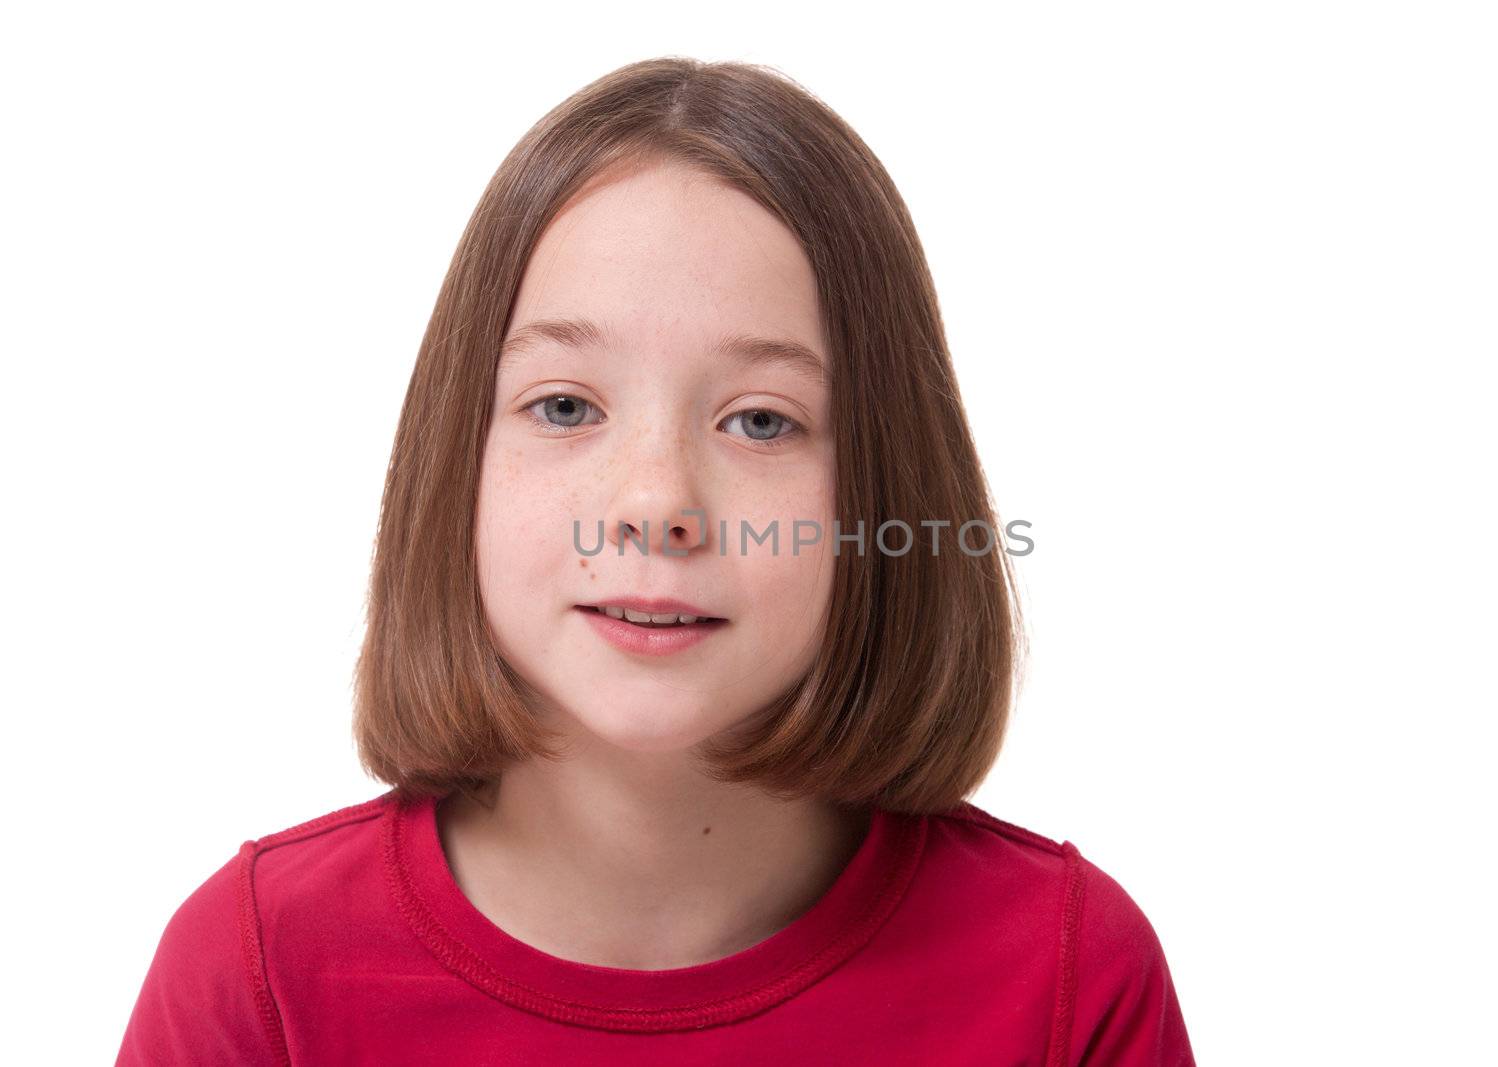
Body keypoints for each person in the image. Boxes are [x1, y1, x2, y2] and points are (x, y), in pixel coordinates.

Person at [117, 56, 1196, 1065]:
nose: (655, 504)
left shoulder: (1069, 975)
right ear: (457, 458)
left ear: (887, 491)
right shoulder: (259, 971)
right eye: (566, 405)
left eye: (762, 422)